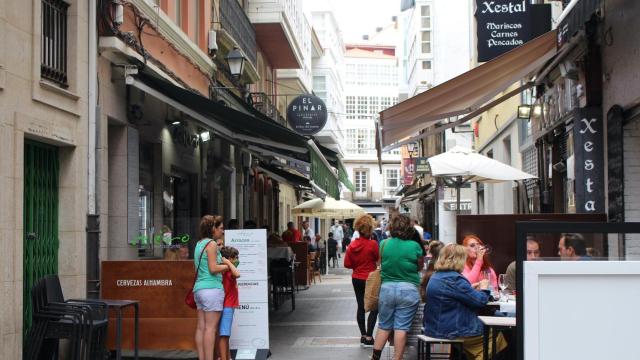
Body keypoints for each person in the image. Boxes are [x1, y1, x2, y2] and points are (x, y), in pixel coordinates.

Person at [423, 244, 507, 360]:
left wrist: (470, 288)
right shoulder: (455, 278)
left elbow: (452, 294)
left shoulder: (436, 276)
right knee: (497, 336)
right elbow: (479, 301)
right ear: (459, 260)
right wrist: (484, 288)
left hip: (435, 327)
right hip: (453, 330)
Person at [371, 214, 424, 360]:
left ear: (392, 227)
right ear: (409, 228)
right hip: (408, 289)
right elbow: (419, 267)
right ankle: (397, 358)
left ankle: (375, 357)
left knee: (384, 325)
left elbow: (379, 264)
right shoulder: (415, 246)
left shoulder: (384, 244)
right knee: (401, 327)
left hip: (387, 288)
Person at [193, 215, 233, 360]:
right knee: (211, 329)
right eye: (220, 228)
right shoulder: (212, 244)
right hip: (212, 289)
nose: (222, 231)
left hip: (199, 290)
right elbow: (213, 268)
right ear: (213, 229)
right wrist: (228, 265)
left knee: (201, 327)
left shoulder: (199, 244)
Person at [344, 214, 380, 348]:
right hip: (371, 279)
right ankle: (370, 336)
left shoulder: (352, 245)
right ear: (370, 229)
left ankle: (363, 335)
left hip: (357, 278)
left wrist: (357, 265)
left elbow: (347, 264)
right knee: (374, 307)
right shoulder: (373, 244)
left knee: (361, 306)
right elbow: (378, 260)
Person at [218, 246, 241, 360]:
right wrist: (228, 263)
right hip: (227, 306)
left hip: (225, 305)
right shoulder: (228, 271)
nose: (237, 260)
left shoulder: (223, 270)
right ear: (229, 258)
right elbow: (237, 274)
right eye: (235, 258)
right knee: (224, 335)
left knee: (225, 335)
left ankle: (228, 357)